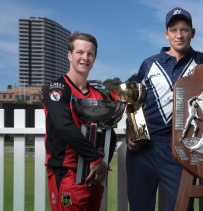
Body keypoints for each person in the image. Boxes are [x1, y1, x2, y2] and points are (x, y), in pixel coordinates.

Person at [125, 7, 203, 211]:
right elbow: (134, 101)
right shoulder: (149, 63)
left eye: (184, 29)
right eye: (174, 30)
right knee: (139, 206)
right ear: (166, 34)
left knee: (181, 207)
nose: (179, 35)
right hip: (144, 146)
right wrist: (131, 130)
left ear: (193, 32)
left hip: (181, 147)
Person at [43, 32, 116, 211]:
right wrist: (96, 158)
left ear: (95, 57)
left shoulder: (98, 95)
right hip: (67, 171)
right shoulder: (58, 88)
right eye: (80, 52)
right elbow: (63, 126)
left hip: (93, 172)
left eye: (90, 54)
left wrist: (103, 162)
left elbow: (108, 133)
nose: (85, 58)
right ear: (69, 55)